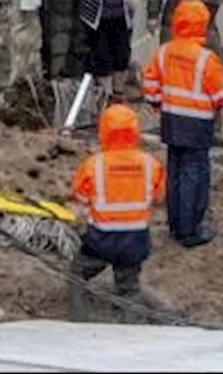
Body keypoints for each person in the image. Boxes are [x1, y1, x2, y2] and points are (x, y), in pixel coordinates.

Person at [140, 0, 223, 248]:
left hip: (171, 120)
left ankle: (175, 225)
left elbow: (149, 86)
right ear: (202, 25)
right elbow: (220, 94)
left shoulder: (164, 52)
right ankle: (191, 231)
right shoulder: (206, 59)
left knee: (175, 172)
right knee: (195, 175)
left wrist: (160, 104)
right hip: (198, 123)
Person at [67, 104, 166, 322]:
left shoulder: (93, 165)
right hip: (135, 239)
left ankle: (78, 323)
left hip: (102, 238)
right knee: (129, 289)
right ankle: (130, 332)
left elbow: (80, 197)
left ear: (104, 130)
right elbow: (158, 197)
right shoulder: (151, 164)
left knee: (76, 275)